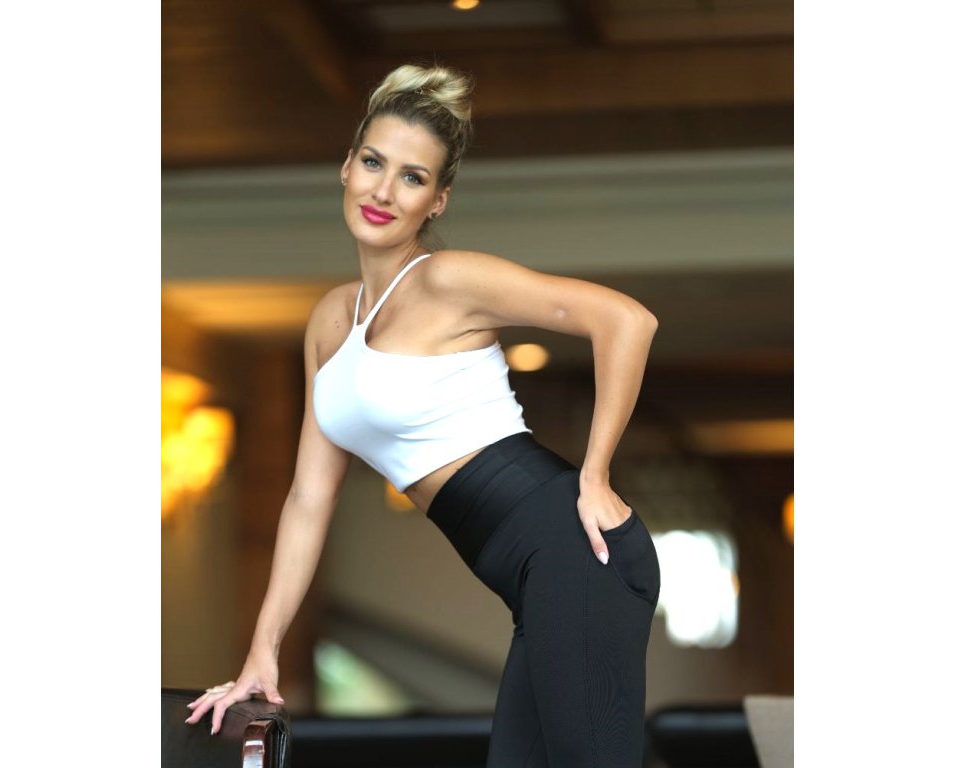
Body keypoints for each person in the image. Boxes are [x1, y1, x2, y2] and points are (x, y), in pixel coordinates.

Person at [184, 62, 661, 767]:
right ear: (347, 167)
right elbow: (309, 497)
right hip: (531, 578)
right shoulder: (330, 320)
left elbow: (626, 320)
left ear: (437, 201)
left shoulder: (447, 279)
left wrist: (595, 475)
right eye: (373, 162)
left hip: (575, 551)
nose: (383, 190)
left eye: (412, 177)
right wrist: (264, 650)